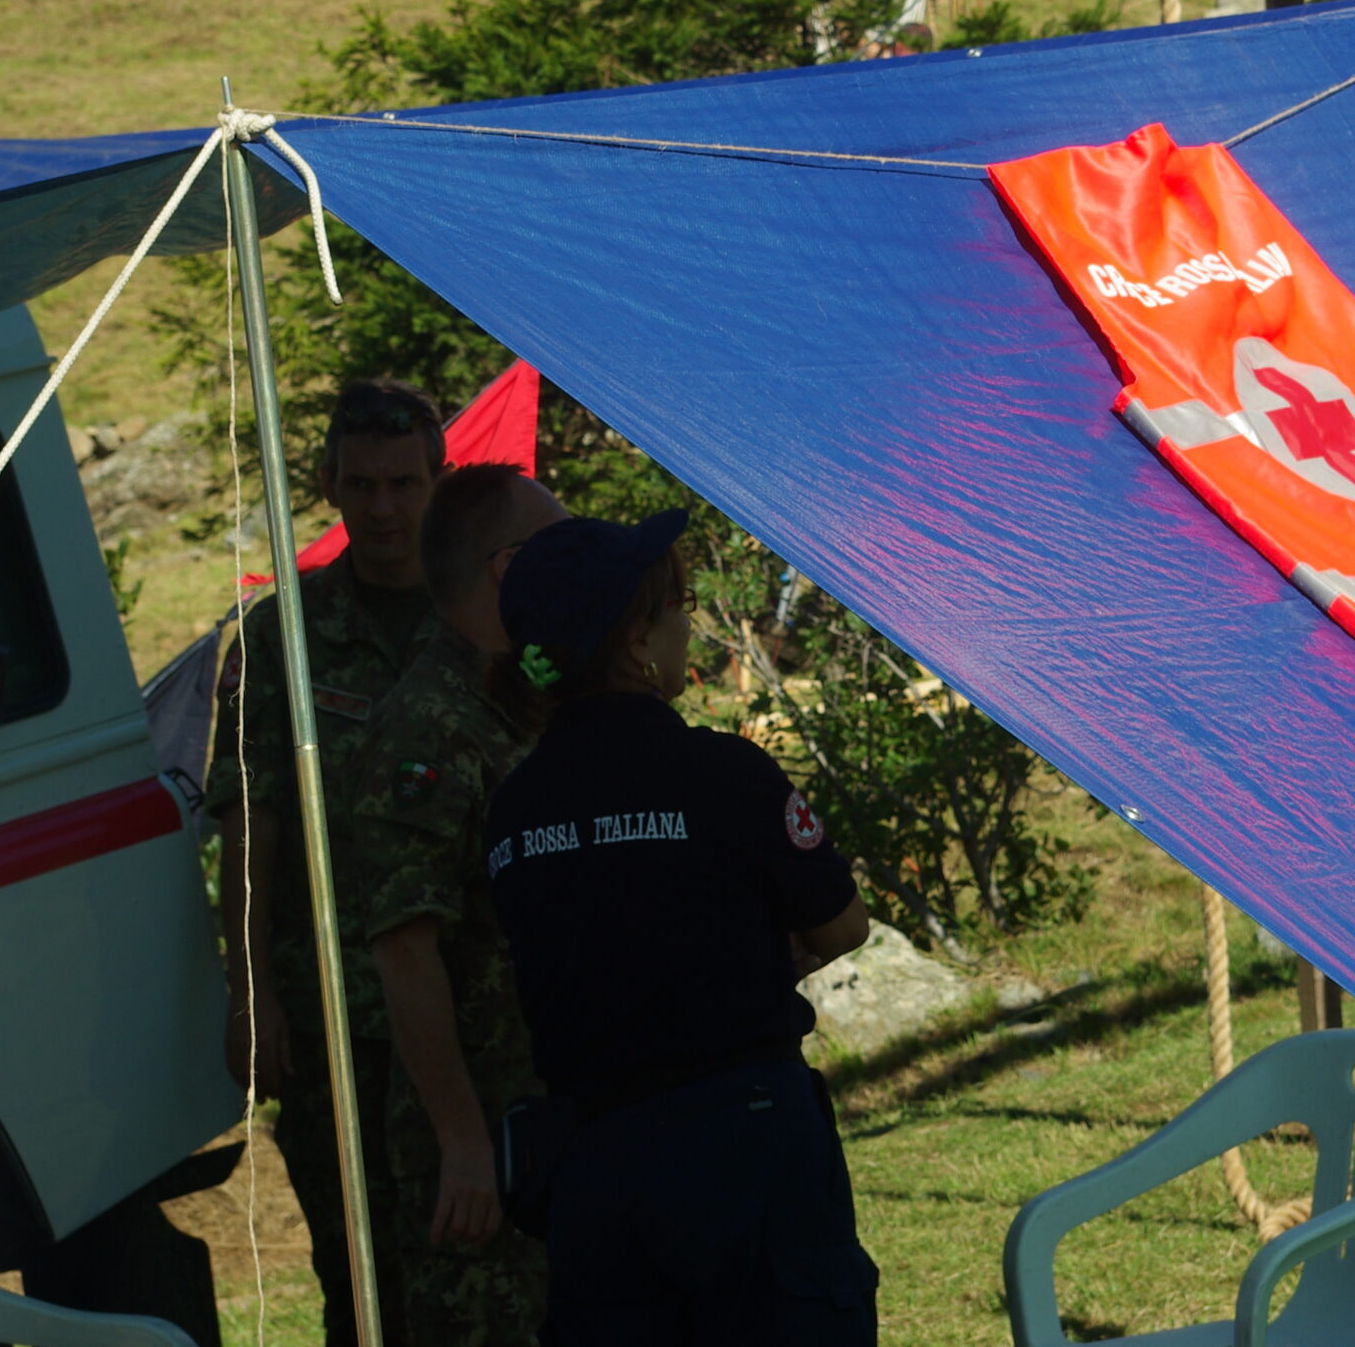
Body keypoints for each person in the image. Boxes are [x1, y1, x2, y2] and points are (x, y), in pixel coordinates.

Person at [485, 513, 878, 1345]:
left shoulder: (512, 811)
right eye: (679, 606)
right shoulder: (720, 774)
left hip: (595, 1171)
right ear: (635, 642)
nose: (687, 625)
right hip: (745, 1148)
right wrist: (747, 960)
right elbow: (841, 923)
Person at [205, 377, 449, 1347]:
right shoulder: (283, 639)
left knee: (489, 1260)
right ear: (330, 487)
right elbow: (250, 825)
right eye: (361, 485)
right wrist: (250, 992)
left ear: (437, 480)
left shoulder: (488, 619)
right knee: (359, 1275)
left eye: (402, 483)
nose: (382, 508)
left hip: (471, 1002)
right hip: (333, 1016)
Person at [346, 464, 570, 1345]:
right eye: (559, 551)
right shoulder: (428, 726)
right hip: (488, 1140)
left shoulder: (524, 694)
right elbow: (405, 949)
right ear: (509, 570)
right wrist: (464, 1140)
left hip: (549, 1111)